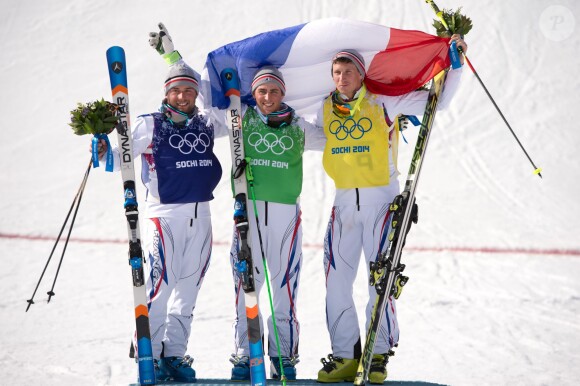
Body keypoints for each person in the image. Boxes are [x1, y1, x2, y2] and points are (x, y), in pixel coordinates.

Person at [315, 36, 468, 384]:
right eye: (336, 72)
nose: (342, 78)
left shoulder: (383, 101)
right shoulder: (325, 108)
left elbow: (436, 102)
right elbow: (306, 135)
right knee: (336, 283)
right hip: (342, 206)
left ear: (361, 73)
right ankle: (345, 355)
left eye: (348, 71)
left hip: (381, 202)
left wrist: (453, 66)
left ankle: (378, 353)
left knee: (379, 283)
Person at [95, 24, 225, 383]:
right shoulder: (149, 125)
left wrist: (175, 57)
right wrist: (102, 146)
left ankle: (175, 354)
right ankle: (147, 352)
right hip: (163, 217)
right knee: (159, 285)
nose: (183, 96)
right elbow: (116, 160)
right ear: (167, 94)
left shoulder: (206, 123)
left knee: (188, 291)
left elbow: (222, 99)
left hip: (202, 217)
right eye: (176, 91)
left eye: (188, 90)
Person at [227, 66, 326, 382]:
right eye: (261, 92)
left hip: (285, 217)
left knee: (285, 288)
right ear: (253, 94)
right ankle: (246, 355)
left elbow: (331, 138)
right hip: (249, 213)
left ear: (283, 93)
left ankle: (283, 356)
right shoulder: (241, 119)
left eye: (273, 91)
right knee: (246, 287)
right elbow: (195, 105)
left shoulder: (298, 126)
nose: (267, 97)